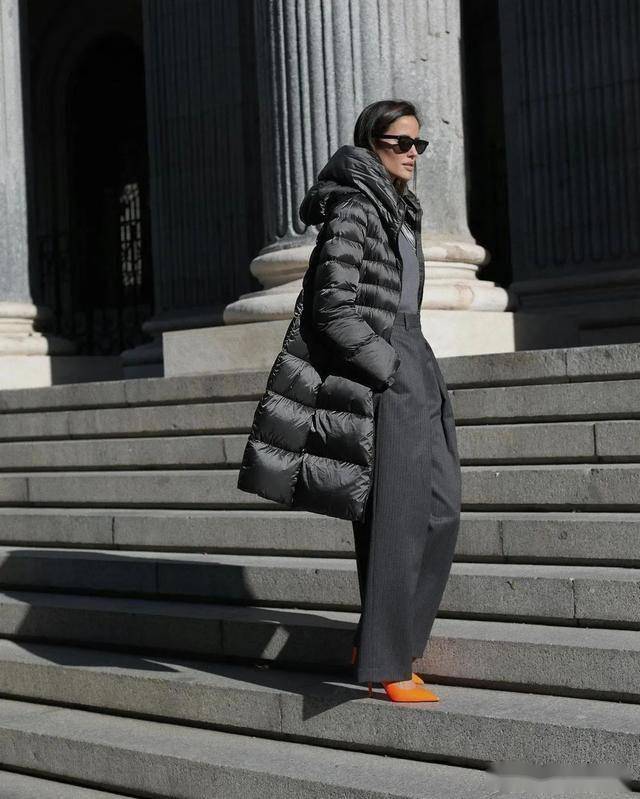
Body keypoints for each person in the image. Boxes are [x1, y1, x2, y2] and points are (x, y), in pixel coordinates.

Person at [309, 100, 461, 702]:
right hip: (388, 360)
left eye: (418, 144)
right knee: (397, 516)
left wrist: (411, 362)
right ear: (371, 143)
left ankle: (382, 640)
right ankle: (388, 663)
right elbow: (331, 307)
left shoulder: (400, 208)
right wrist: (387, 367)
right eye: (401, 142)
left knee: (441, 509)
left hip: (416, 353)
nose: (412, 153)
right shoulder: (354, 207)